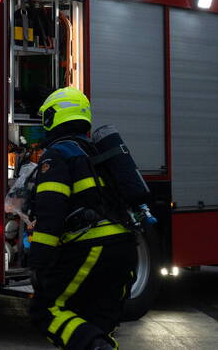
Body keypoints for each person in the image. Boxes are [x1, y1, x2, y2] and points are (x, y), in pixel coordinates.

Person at [27, 87, 136, 350]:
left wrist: (39, 262)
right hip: (125, 250)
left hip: (92, 247)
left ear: (54, 117)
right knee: (95, 322)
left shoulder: (57, 155)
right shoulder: (97, 152)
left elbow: (50, 213)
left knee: (45, 310)